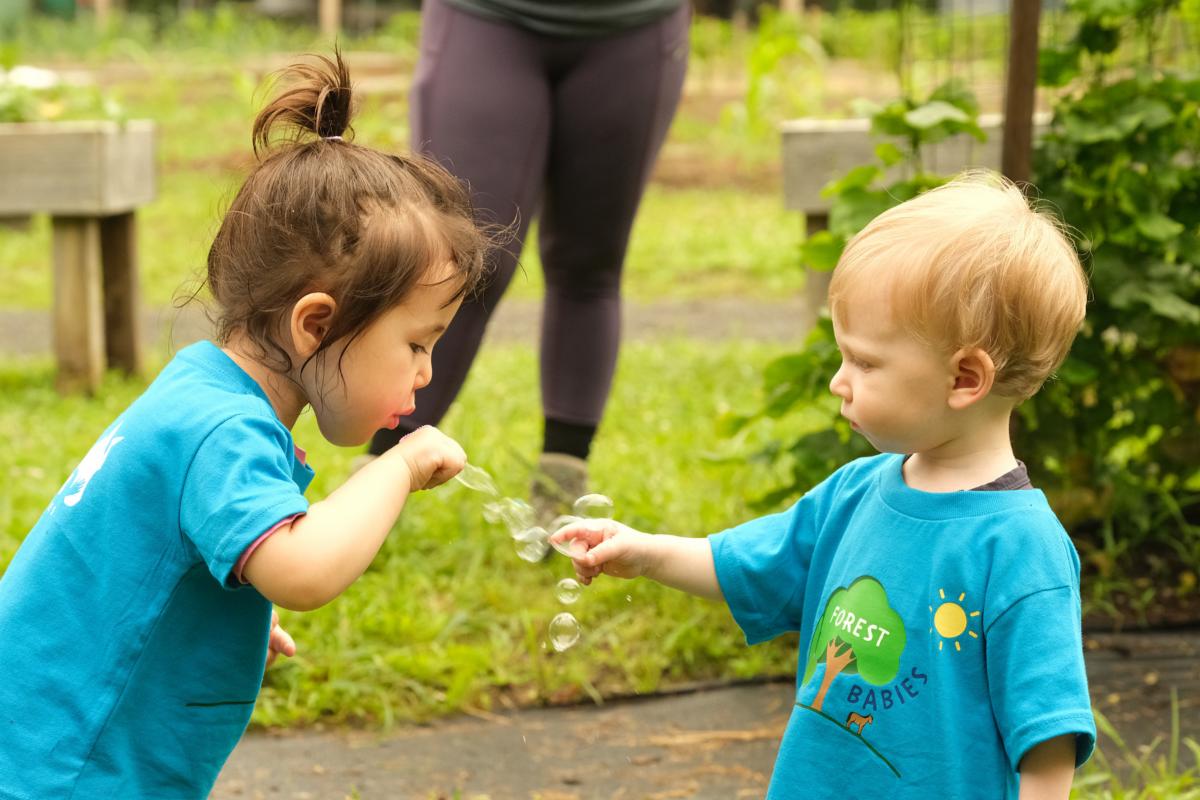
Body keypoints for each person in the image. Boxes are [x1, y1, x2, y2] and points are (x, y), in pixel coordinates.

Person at [0, 52, 487, 799]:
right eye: (417, 344)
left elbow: (149, 562)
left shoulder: (198, 389)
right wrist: (399, 465)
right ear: (316, 324)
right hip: (67, 774)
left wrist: (207, 625)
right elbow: (304, 571)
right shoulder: (224, 430)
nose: (425, 374)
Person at [551, 174, 1097, 799]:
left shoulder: (1022, 549)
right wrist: (644, 553)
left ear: (965, 378)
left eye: (863, 361)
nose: (840, 380)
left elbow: (1047, 740)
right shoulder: (854, 494)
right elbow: (743, 564)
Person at [363, 0, 692, 525]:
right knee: (458, 259)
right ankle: (376, 476)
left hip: (635, 25)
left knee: (590, 263)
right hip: (486, 15)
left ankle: (561, 487)